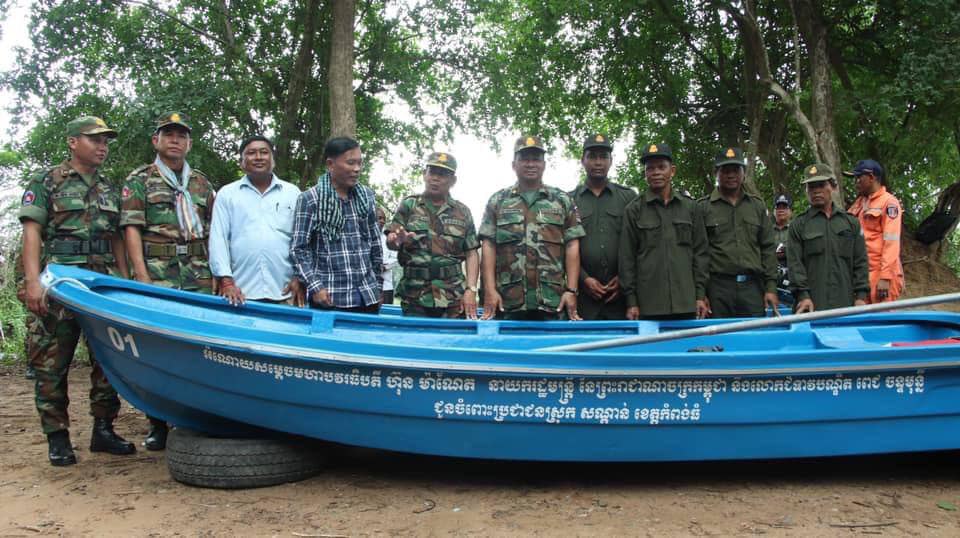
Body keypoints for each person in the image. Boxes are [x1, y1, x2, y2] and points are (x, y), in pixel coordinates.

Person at [18, 116, 136, 466]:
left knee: (108, 358)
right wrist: (33, 281)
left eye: (106, 141)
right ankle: (57, 437)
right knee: (52, 362)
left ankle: (104, 429)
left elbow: (117, 238)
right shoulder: (47, 180)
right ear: (72, 142)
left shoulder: (109, 187)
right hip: (60, 282)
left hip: (100, 284)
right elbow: (32, 232)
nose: (102, 147)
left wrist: (124, 281)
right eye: (95, 139)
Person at [121, 112, 216, 451]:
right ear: (156, 141)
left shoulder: (201, 183)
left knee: (199, 346)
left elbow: (214, 231)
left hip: (197, 272)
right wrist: (141, 276)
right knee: (158, 350)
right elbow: (131, 229)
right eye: (169, 134)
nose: (175, 140)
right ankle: (157, 422)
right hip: (158, 271)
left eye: (181, 135)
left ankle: (193, 417)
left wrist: (216, 274)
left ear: (189, 143)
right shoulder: (140, 180)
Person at [479, 136, 584, 321]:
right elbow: (488, 246)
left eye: (536, 159)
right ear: (514, 165)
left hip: (552, 300)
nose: (530, 164)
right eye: (524, 159)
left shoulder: (561, 200)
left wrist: (571, 290)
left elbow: (572, 246)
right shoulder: (498, 201)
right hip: (507, 301)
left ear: (544, 165)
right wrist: (489, 289)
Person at [208, 135, 305, 306]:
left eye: (264, 152)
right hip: (239, 293)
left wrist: (300, 277)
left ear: (273, 159)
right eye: (251, 153)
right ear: (241, 161)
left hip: (286, 291)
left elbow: (302, 239)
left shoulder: (293, 193)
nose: (258, 157)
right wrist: (226, 281)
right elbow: (218, 239)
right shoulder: (227, 194)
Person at [290, 137, 382, 313]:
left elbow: (375, 244)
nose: (357, 169)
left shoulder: (367, 197)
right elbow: (298, 249)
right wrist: (315, 287)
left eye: (360, 163)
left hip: (367, 297)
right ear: (330, 164)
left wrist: (377, 286)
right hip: (330, 298)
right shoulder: (310, 199)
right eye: (350, 163)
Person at [620, 143, 709, 320]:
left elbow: (701, 253)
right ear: (645, 173)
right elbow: (626, 259)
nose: (656, 172)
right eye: (650, 168)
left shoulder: (691, 207)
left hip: (687, 302)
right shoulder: (634, 210)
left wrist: (700, 295)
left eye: (661, 167)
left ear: (672, 171)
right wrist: (631, 301)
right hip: (648, 306)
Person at [385, 152, 480, 318]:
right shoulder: (409, 205)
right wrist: (396, 240)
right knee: (416, 334)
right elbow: (391, 241)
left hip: (453, 296)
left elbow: (471, 253)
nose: (435, 178)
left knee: (453, 335)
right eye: (432, 173)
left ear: (453, 180)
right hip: (415, 294)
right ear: (424, 174)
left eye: (442, 174)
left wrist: (471, 289)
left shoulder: (462, 212)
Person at [697, 147, 778, 318]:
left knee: (755, 333)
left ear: (744, 173)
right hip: (718, 289)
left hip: (752, 288)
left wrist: (771, 288)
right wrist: (700, 293)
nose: (731, 175)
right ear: (716, 173)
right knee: (719, 334)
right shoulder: (703, 208)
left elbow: (768, 249)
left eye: (736, 170)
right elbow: (699, 253)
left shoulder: (757, 206)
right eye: (725, 170)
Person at [569, 134, 637, 320]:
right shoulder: (568, 200)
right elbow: (563, 247)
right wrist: (584, 279)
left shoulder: (628, 197)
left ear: (611, 161)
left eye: (603, 157)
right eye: (592, 156)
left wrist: (624, 278)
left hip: (622, 299)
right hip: (583, 300)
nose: (598, 162)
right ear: (582, 160)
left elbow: (638, 243)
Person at [787, 163, 869, 313]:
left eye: (821, 185)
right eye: (811, 186)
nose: (816, 190)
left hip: (847, 305)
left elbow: (861, 262)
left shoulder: (851, 223)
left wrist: (861, 297)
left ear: (833, 187)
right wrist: (803, 296)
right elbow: (795, 266)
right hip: (810, 306)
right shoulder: (798, 225)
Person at [844, 159, 905, 303]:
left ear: (871, 177)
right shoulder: (858, 203)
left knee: (881, 315)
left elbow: (891, 242)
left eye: (859, 177)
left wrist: (885, 277)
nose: (856, 182)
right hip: (860, 274)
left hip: (880, 273)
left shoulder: (889, 203)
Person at [376, 207, 399, 305]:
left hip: (386, 286)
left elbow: (396, 258)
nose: (382, 221)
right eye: (379, 218)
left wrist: (385, 267)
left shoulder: (388, 238)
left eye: (384, 219)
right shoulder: (365, 237)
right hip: (369, 286)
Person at [772, 193, 793, 293]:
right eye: (778, 208)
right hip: (772, 279)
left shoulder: (796, 230)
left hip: (792, 277)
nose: (781, 210)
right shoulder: (767, 231)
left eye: (784, 207)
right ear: (774, 211)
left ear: (790, 211)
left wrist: (787, 251)